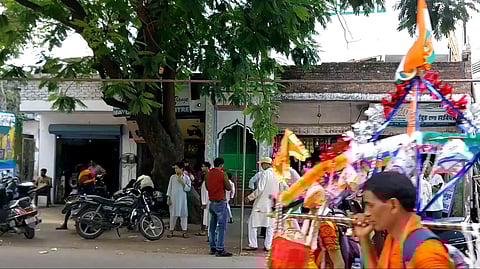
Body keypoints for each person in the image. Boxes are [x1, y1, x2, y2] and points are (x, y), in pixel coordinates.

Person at [353, 171, 450, 268]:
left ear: (394, 205)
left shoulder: (426, 250)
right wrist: (364, 238)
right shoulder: (394, 237)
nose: (366, 213)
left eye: (371, 205)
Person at [243, 157, 288, 252]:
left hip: (261, 204)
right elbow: (284, 187)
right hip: (272, 204)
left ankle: (253, 244)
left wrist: (249, 197)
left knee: (252, 223)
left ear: (266, 164)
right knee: (270, 225)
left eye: (262, 164)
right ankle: (268, 246)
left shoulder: (265, 174)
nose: (261, 166)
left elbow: (260, 189)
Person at [205, 157, 233, 257]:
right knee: (222, 227)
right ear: (222, 165)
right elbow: (229, 187)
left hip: (211, 201)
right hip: (220, 201)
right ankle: (220, 248)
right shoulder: (222, 174)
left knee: (212, 226)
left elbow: (207, 187)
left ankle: (212, 247)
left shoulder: (208, 174)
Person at [56, 164, 93, 230]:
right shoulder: (88, 172)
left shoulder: (83, 173)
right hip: (88, 193)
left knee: (73, 206)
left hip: (84, 194)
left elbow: (80, 184)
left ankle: (67, 224)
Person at [166, 162, 191, 238]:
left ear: (181, 169)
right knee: (173, 215)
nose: (175, 170)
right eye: (175, 168)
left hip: (182, 199)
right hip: (173, 199)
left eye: (177, 168)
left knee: (183, 215)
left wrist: (182, 182)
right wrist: (168, 198)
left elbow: (188, 189)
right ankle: (171, 231)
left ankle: (184, 231)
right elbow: (169, 188)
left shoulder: (186, 178)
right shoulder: (172, 177)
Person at [196, 162, 211, 237]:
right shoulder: (204, 176)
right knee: (204, 215)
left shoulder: (208, 176)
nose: (202, 168)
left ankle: (205, 230)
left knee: (206, 215)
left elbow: (206, 190)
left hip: (206, 200)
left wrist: (204, 202)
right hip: (204, 199)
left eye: (203, 166)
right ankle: (204, 229)